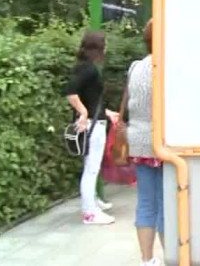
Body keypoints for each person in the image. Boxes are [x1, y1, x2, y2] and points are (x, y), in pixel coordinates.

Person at [65, 30, 119, 225]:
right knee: (92, 169)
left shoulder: (82, 67)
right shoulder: (89, 70)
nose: (107, 46)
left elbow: (90, 98)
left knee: (91, 167)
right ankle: (90, 212)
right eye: (105, 43)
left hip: (93, 122)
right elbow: (71, 93)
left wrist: (107, 112)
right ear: (99, 46)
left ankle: (93, 202)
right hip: (92, 126)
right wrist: (84, 112)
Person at [126, 20, 163, 266]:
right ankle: (173, 257)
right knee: (169, 204)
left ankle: (147, 260)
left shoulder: (136, 67)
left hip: (139, 144)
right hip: (164, 145)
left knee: (146, 203)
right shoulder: (167, 67)